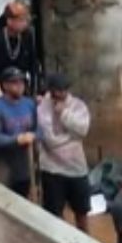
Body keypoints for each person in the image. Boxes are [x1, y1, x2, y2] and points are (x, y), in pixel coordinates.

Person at [37, 73, 91, 232]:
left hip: (77, 168)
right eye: (57, 90)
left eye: (64, 90)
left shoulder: (78, 106)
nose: (61, 94)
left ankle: (85, 242)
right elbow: (50, 140)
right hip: (52, 169)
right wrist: (72, 137)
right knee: (54, 214)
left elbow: (83, 130)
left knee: (82, 211)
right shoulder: (42, 108)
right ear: (51, 90)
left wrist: (64, 114)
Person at [0, 67, 37, 197]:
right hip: (4, 165)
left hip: (25, 164)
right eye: (15, 83)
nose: (19, 86)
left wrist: (34, 136)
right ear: (5, 85)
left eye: (21, 82)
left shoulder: (29, 104)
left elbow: (38, 130)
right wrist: (17, 139)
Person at [0, 0, 38, 99]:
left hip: (21, 83)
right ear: (9, 21)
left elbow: (32, 64)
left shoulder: (27, 36)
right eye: (21, 20)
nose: (25, 23)